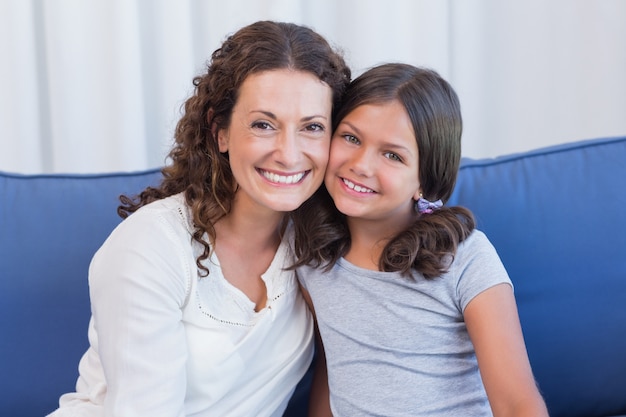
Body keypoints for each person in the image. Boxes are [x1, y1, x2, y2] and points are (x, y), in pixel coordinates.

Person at [47, 20, 350, 417]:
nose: (289, 153)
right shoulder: (150, 246)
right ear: (219, 132)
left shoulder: (318, 246)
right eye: (263, 124)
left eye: (312, 127)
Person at [293, 63, 549, 416]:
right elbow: (332, 370)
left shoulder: (465, 258)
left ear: (424, 183)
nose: (361, 164)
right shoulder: (313, 259)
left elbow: (516, 403)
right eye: (351, 137)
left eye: (392, 155)